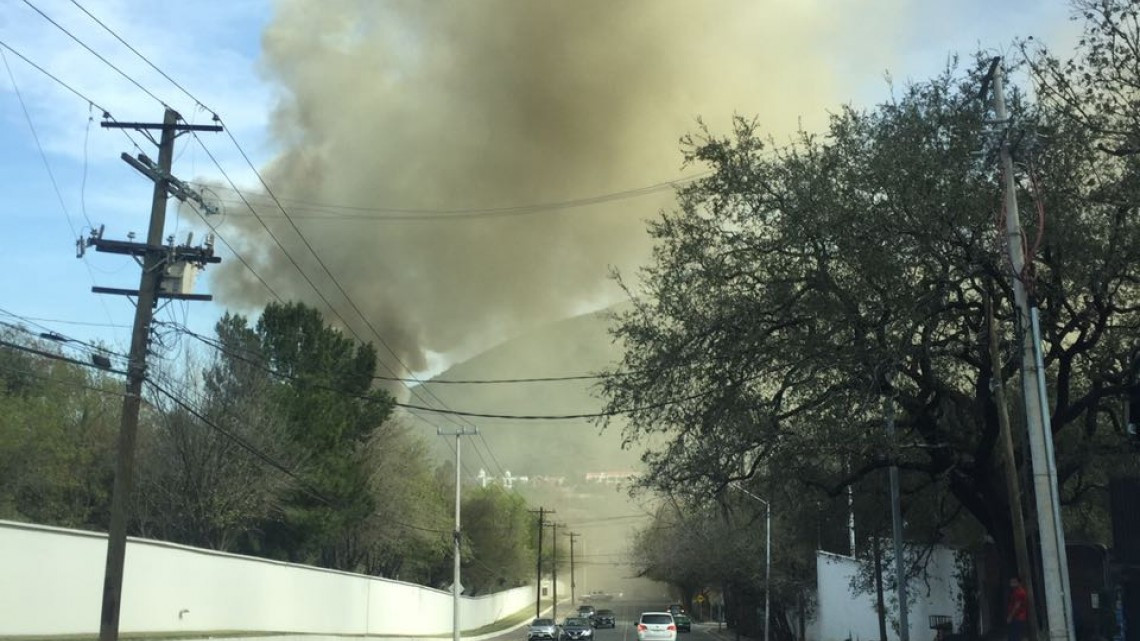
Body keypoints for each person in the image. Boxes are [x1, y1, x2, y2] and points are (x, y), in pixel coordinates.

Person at [1007, 577, 1029, 641]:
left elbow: (1017, 606)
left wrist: (1010, 616)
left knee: (1015, 636)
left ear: (1019, 583)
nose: (1012, 584)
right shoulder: (1015, 591)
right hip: (1016, 617)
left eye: (1014, 582)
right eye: (1011, 582)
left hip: (1018, 617)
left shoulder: (1020, 592)